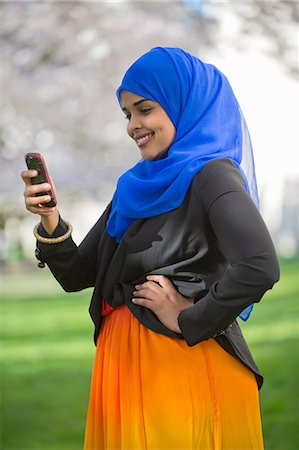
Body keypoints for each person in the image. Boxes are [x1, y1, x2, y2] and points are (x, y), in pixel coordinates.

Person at [21, 47, 279, 450]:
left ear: (182, 104)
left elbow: (259, 265)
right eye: (127, 114)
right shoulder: (133, 187)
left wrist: (189, 317)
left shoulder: (212, 174)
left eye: (145, 109)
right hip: (122, 365)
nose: (132, 126)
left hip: (179, 368)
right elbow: (78, 275)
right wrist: (50, 220)